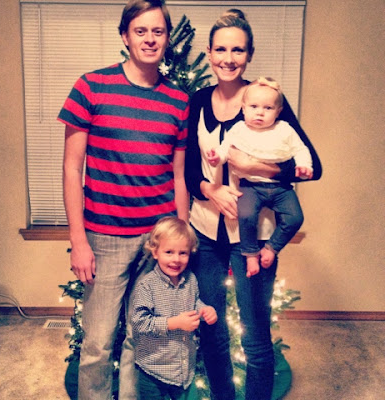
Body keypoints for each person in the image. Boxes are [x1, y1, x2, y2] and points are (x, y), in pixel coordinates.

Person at [185, 9, 322, 400]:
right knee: (212, 329)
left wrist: (253, 166)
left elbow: (311, 166)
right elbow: (189, 167)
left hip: (254, 238)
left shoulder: (266, 100)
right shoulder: (197, 101)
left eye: (238, 50)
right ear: (209, 53)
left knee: (255, 334)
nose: (229, 58)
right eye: (221, 49)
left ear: (249, 55)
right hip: (205, 233)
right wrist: (209, 190)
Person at [59, 0, 189, 399]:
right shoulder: (91, 87)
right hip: (105, 238)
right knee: (98, 342)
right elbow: (71, 169)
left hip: (157, 239)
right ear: (125, 36)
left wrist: (182, 235)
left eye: (158, 31)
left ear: (167, 38)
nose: (150, 39)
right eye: (140, 31)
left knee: (141, 337)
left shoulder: (178, 100)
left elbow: (178, 174)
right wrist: (78, 240)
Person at [206, 77, 313, 277]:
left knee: (295, 217)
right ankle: (250, 255)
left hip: (281, 188)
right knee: (246, 216)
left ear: (278, 111)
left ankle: (271, 248)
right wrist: (216, 158)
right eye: (254, 106)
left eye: (268, 108)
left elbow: (300, 149)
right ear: (243, 108)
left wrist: (304, 165)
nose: (260, 112)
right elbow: (225, 149)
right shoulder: (239, 129)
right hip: (250, 186)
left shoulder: (284, 129)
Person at [131, 216, 217, 400]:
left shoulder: (190, 279)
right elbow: (139, 323)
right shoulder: (147, 286)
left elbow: (194, 303)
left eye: (182, 253)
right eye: (169, 252)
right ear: (155, 252)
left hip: (183, 370)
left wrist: (204, 310)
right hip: (153, 370)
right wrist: (174, 323)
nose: (176, 259)